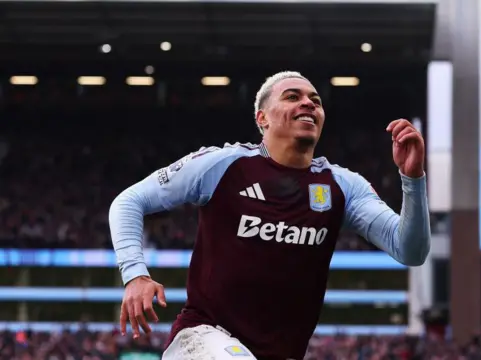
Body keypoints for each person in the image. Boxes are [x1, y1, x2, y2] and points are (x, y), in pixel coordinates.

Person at [109, 71, 431, 360]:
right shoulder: (222, 165)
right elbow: (128, 201)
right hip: (202, 339)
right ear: (262, 118)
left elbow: (410, 250)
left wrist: (412, 179)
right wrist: (135, 274)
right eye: (293, 97)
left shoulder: (342, 186)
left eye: (315, 101)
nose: (308, 103)